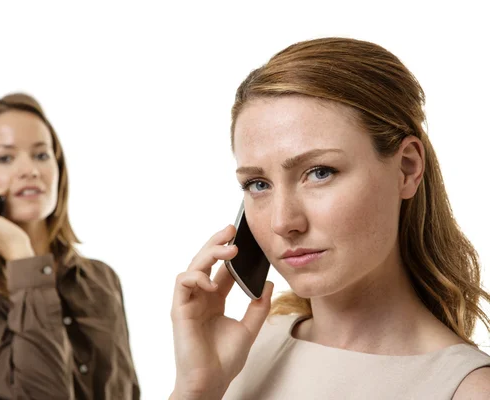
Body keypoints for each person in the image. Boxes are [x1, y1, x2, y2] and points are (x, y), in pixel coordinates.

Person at [169, 37, 490, 399]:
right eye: (258, 183)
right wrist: (195, 387)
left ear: (406, 168)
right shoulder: (244, 347)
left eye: (319, 172)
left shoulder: (466, 390)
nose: (282, 221)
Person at [0, 93, 140, 400]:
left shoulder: (102, 279)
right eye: (5, 158)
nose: (30, 170)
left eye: (41, 155)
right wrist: (18, 253)